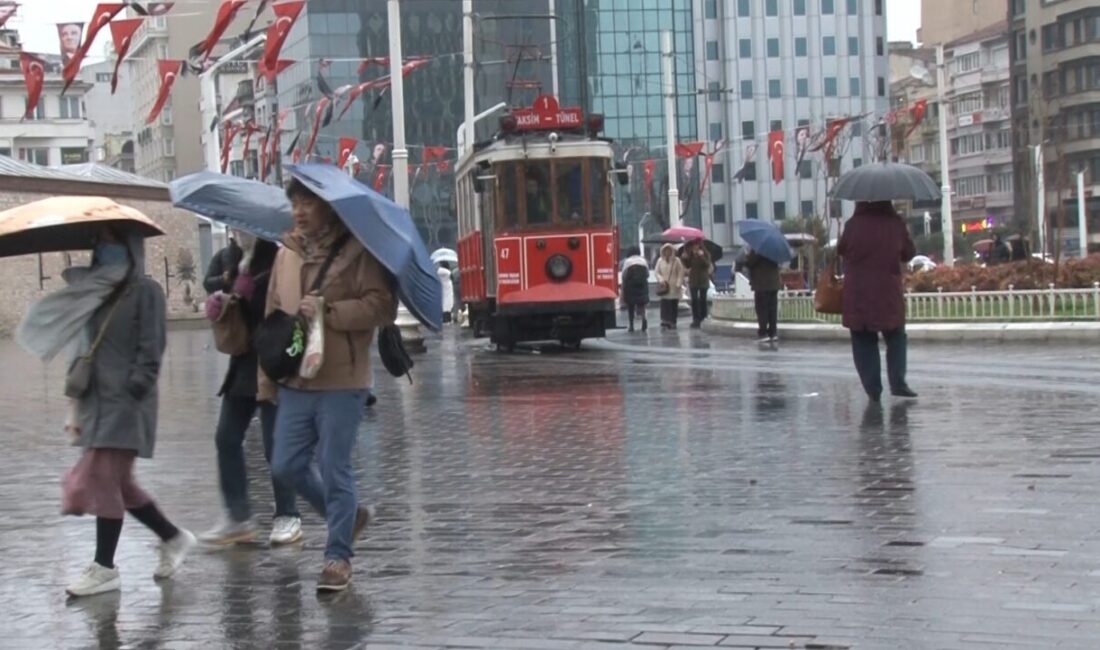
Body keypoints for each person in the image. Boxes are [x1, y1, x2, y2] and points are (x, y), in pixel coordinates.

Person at [17, 227, 195, 598]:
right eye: (99, 240)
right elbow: (84, 348)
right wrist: (75, 401)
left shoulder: (145, 291)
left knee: (101, 480)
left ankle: (104, 567)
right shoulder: (95, 290)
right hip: (97, 401)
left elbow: (152, 348)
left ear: (130, 246)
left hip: (128, 403)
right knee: (120, 484)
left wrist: (134, 388)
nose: (104, 247)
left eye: (113, 239)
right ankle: (173, 537)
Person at [261, 178, 396, 592]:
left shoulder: (359, 251)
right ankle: (349, 516)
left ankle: (338, 557)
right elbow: (273, 316)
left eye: (309, 203)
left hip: (343, 378)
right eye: (295, 203)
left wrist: (329, 310)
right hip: (296, 379)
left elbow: (382, 305)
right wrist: (267, 379)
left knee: (336, 467)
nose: (300, 211)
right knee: (285, 463)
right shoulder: (286, 254)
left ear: (330, 208)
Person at [199, 233, 302, 547]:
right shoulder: (231, 256)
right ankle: (238, 516)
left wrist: (249, 292)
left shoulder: (275, 256)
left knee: (275, 447)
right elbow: (211, 282)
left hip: (271, 360)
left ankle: (288, 514)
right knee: (226, 437)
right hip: (243, 363)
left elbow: (283, 306)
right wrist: (224, 295)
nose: (238, 232)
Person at [838, 201, 918, 402]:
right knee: (896, 336)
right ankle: (898, 382)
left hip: (858, 294)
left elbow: (841, 249)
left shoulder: (853, 225)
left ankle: (873, 389)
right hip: (888, 293)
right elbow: (909, 253)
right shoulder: (894, 224)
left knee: (863, 340)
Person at [744, 248, 781, 343]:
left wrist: (748, 255)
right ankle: (773, 333)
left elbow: (749, 263)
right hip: (774, 284)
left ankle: (763, 333)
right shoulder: (775, 249)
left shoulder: (758, 249)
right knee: (772, 310)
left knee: (762, 309)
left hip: (762, 284)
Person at [654, 243, 685, 330]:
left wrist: (679, 283)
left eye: (669, 250)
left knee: (673, 305)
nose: (667, 252)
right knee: (665, 304)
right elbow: (657, 272)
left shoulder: (676, 260)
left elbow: (680, 272)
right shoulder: (660, 261)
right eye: (665, 250)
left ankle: (673, 321)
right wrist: (661, 280)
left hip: (674, 286)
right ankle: (665, 320)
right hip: (664, 286)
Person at [684, 240, 713, 328]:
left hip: (703, 280)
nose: (695, 247)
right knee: (694, 300)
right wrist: (685, 258)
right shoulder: (691, 254)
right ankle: (695, 319)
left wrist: (701, 256)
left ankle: (703, 317)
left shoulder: (706, 254)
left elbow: (707, 264)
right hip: (693, 280)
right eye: (693, 245)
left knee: (702, 300)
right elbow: (688, 265)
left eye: (696, 245)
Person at [620, 246, 649, 332]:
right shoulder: (643, 261)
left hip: (630, 286)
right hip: (642, 285)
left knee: (631, 306)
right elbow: (647, 274)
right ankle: (644, 319)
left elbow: (624, 275)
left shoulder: (627, 261)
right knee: (642, 305)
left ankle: (631, 325)